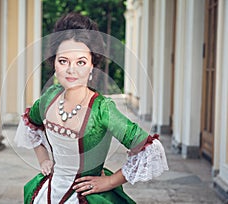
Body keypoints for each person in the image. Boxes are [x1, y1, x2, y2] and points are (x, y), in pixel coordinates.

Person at [15, 12, 168, 204]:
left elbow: (149, 149)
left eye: (81, 62)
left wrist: (110, 181)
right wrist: (44, 159)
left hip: (86, 197)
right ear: (54, 63)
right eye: (63, 61)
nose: (71, 70)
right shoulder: (49, 98)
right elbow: (31, 124)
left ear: (92, 66)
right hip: (48, 192)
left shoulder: (102, 109)